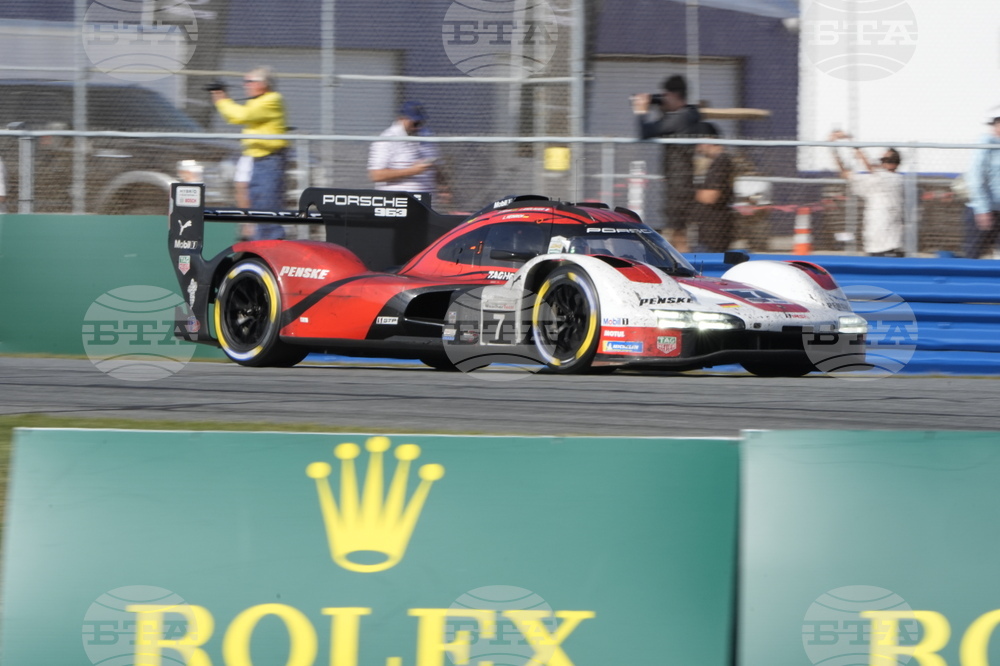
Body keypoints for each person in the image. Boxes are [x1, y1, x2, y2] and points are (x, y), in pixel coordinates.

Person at [211, 66, 288, 240]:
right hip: (258, 160)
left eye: (250, 81)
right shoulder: (257, 101)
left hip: (270, 160)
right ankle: (257, 243)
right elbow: (235, 117)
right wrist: (222, 99)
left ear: (263, 84)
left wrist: (222, 101)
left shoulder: (272, 99)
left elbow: (241, 116)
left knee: (267, 209)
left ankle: (271, 248)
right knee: (255, 206)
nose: (245, 85)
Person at [632, 74, 703, 252]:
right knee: (677, 231)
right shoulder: (687, 115)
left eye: (666, 96)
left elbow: (646, 132)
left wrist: (641, 111)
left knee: (678, 233)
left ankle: (686, 268)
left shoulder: (682, 117)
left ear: (673, 95)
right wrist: (659, 106)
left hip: (680, 185)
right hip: (678, 181)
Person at [829, 130, 904, 257]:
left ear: (893, 163)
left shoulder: (894, 179)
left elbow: (867, 165)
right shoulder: (875, 180)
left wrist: (850, 139)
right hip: (874, 241)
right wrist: (832, 148)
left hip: (891, 244)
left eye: (886, 159)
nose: (881, 163)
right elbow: (845, 173)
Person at [368, 101, 445, 198]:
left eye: (421, 122)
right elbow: (376, 175)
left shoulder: (426, 134)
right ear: (401, 119)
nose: (418, 127)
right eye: (415, 123)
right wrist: (412, 171)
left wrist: (444, 188)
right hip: (399, 202)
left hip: (426, 203)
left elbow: (437, 167)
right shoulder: (387, 139)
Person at [693, 123, 736, 253]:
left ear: (709, 140)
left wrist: (686, 192)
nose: (698, 148)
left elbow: (710, 196)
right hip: (710, 230)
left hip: (715, 232)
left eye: (699, 143)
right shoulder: (718, 161)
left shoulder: (721, 161)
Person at [966, 108, 1000, 259]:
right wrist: (983, 209)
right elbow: (975, 177)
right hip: (985, 211)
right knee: (974, 256)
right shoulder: (986, 144)